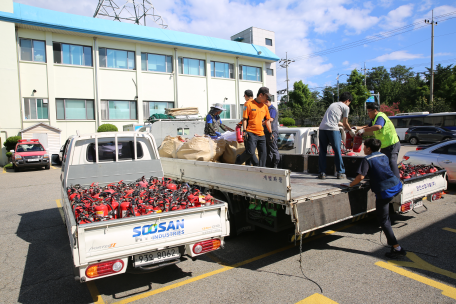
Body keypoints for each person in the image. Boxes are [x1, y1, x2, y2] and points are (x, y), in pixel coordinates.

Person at [343, 138, 406, 259]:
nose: (363, 149)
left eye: (364, 146)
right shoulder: (383, 155)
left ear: (369, 148)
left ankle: (397, 247)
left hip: (385, 190)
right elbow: (381, 170)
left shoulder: (367, 159)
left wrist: (350, 184)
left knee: (384, 220)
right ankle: (395, 246)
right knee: (385, 217)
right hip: (396, 185)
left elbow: (360, 177)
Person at [356, 103, 401, 179]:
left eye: (369, 111)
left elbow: (378, 127)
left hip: (392, 143)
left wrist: (363, 130)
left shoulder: (380, 117)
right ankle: (387, 179)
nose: (368, 113)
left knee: (391, 162)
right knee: (384, 163)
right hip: (385, 146)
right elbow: (368, 126)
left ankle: (397, 182)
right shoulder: (375, 119)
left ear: (375, 110)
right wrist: (357, 128)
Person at [318, 92, 354, 179]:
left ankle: (322, 173)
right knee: (337, 150)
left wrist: (342, 125)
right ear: (347, 100)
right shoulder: (346, 107)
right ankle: (340, 172)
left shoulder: (333, 104)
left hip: (322, 128)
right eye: (350, 102)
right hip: (333, 130)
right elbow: (345, 123)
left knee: (322, 151)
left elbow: (335, 120)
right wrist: (350, 130)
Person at [235, 87, 272, 167]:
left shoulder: (265, 107)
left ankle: (261, 171)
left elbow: (268, 120)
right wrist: (244, 131)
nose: (268, 98)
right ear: (261, 95)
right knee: (250, 152)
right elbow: (245, 119)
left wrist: (270, 132)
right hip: (251, 132)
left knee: (263, 155)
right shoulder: (249, 104)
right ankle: (238, 160)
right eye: (266, 96)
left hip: (261, 134)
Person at [240, 90, 259, 166]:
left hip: (249, 130)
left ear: (245, 96)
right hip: (257, 130)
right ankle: (248, 164)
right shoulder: (256, 104)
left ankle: (256, 164)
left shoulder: (247, 104)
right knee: (251, 149)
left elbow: (245, 118)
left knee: (249, 150)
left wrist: (244, 131)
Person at [263, 95, 280, 168]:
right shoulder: (266, 109)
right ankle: (269, 165)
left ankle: (276, 164)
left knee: (273, 148)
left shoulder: (272, 109)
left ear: (267, 101)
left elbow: (271, 119)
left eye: (263, 102)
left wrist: (262, 123)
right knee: (268, 149)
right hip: (266, 131)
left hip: (272, 132)